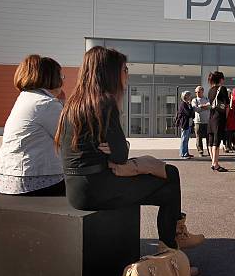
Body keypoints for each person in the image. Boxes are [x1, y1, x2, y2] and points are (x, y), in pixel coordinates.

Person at [54, 46, 204, 252]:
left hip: (77, 188)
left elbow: (112, 152)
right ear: (110, 72)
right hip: (98, 188)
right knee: (170, 177)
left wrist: (116, 149)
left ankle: (174, 237)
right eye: (125, 69)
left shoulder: (74, 103)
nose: (127, 74)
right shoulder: (104, 102)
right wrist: (121, 147)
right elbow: (120, 155)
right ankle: (171, 247)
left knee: (168, 181)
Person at [0, 55, 66, 195]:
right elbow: (70, 139)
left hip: (9, 179)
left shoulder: (25, 98)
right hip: (35, 181)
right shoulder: (46, 103)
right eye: (61, 76)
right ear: (51, 78)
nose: (62, 81)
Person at [207, 71, 229, 172]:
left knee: (211, 141)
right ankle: (215, 164)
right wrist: (227, 117)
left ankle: (213, 162)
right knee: (217, 141)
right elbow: (227, 106)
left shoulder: (210, 90)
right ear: (220, 79)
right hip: (219, 117)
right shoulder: (222, 89)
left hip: (211, 117)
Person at [191, 86, 210, 157]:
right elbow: (195, 109)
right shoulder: (194, 100)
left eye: (199, 92)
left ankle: (209, 150)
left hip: (207, 121)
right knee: (199, 138)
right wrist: (205, 107)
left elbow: (210, 107)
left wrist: (201, 106)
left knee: (209, 137)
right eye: (196, 92)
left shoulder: (206, 99)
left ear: (202, 91)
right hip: (198, 122)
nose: (197, 93)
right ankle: (200, 151)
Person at [176, 91, 193, 159]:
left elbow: (192, 113)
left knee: (186, 139)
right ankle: (183, 154)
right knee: (184, 139)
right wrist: (191, 112)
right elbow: (188, 113)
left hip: (188, 123)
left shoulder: (188, 104)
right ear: (185, 96)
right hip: (184, 124)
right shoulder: (183, 104)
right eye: (189, 95)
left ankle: (186, 153)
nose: (190, 97)